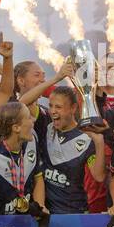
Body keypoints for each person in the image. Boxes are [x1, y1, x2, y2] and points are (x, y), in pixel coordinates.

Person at [36, 85, 105, 214]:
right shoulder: (46, 127)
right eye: (50, 106)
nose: (53, 111)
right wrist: (56, 78)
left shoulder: (86, 137)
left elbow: (99, 176)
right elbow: (23, 102)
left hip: (73, 213)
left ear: (73, 108)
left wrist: (99, 143)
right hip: (45, 212)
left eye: (58, 107)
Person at [0, 101, 47, 216]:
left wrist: (40, 207)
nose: (33, 120)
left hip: (23, 223)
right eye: (29, 117)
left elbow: (38, 177)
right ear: (16, 127)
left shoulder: (31, 143)